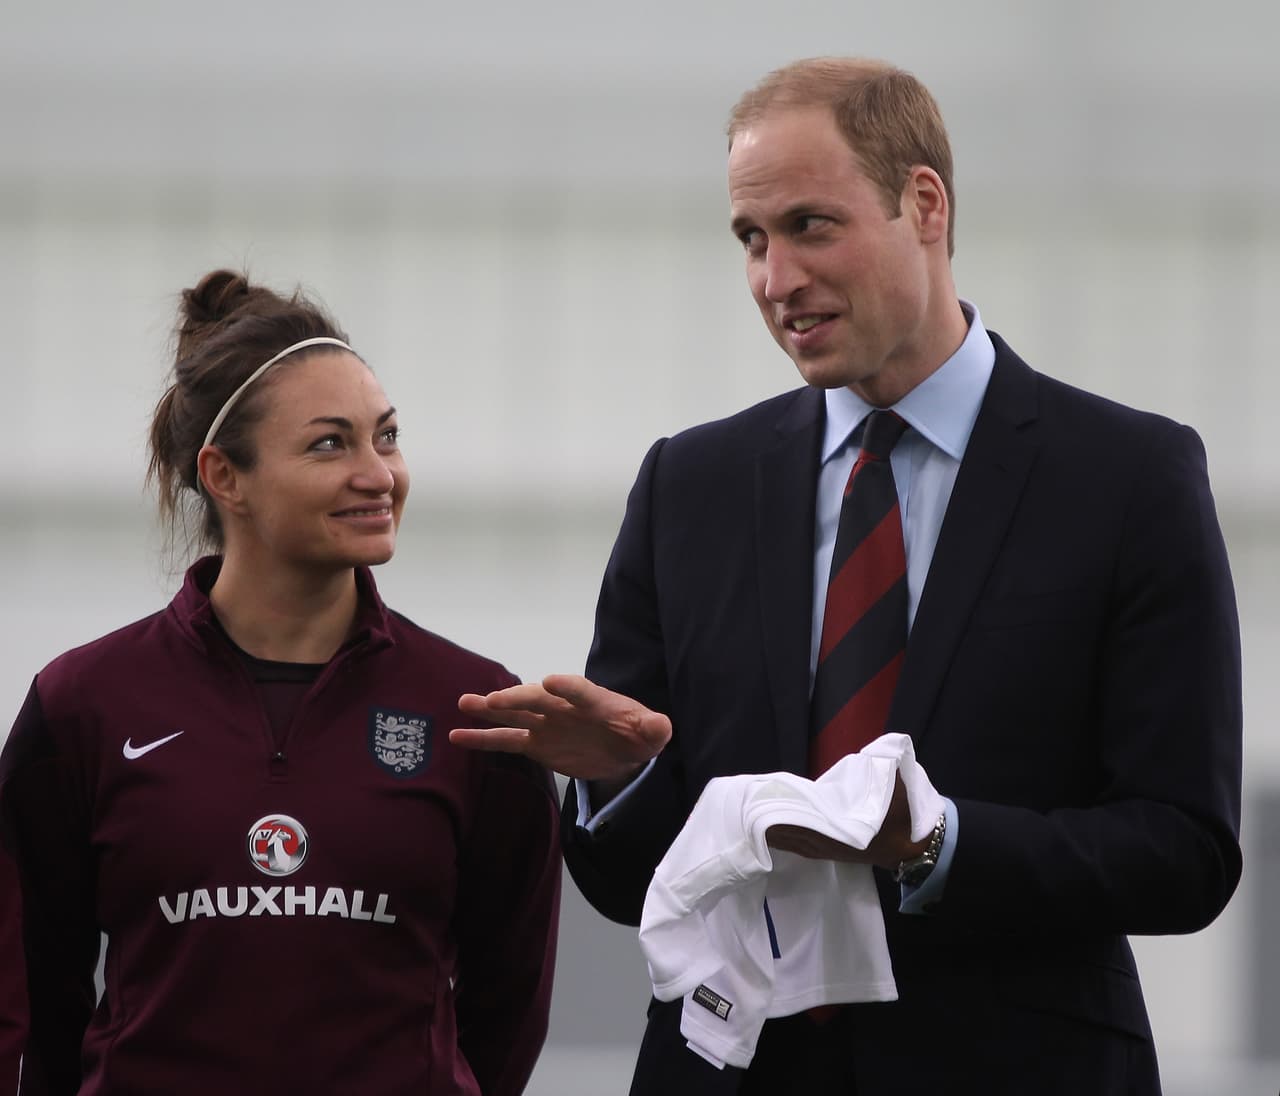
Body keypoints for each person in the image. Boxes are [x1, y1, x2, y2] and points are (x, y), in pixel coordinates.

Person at [451, 57, 1243, 1094]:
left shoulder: (1125, 478)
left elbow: (1182, 848)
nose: (774, 279)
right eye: (750, 238)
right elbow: (623, 876)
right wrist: (621, 779)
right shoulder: (687, 484)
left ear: (922, 204)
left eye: (809, 226)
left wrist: (938, 841)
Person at [0, 269, 561, 1095]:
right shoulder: (84, 703)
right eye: (330, 444)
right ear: (225, 476)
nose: (379, 474)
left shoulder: (474, 708)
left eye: (388, 437)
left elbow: (509, 1005)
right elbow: (34, 996)